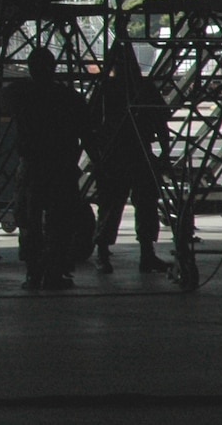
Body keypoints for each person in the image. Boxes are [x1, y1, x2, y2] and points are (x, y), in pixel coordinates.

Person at [4, 47, 92, 291]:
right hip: (61, 167)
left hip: (33, 166)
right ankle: (55, 272)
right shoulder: (67, 97)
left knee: (30, 222)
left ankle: (34, 273)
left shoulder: (21, 93)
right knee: (60, 223)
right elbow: (87, 131)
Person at [89, 39, 169, 274]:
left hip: (134, 152)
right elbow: (90, 125)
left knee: (141, 204)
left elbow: (159, 120)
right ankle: (104, 253)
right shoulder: (111, 89)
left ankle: (144, 253)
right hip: (118, 154)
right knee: (112, 206)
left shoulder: (133, 89)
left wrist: (163, 150)